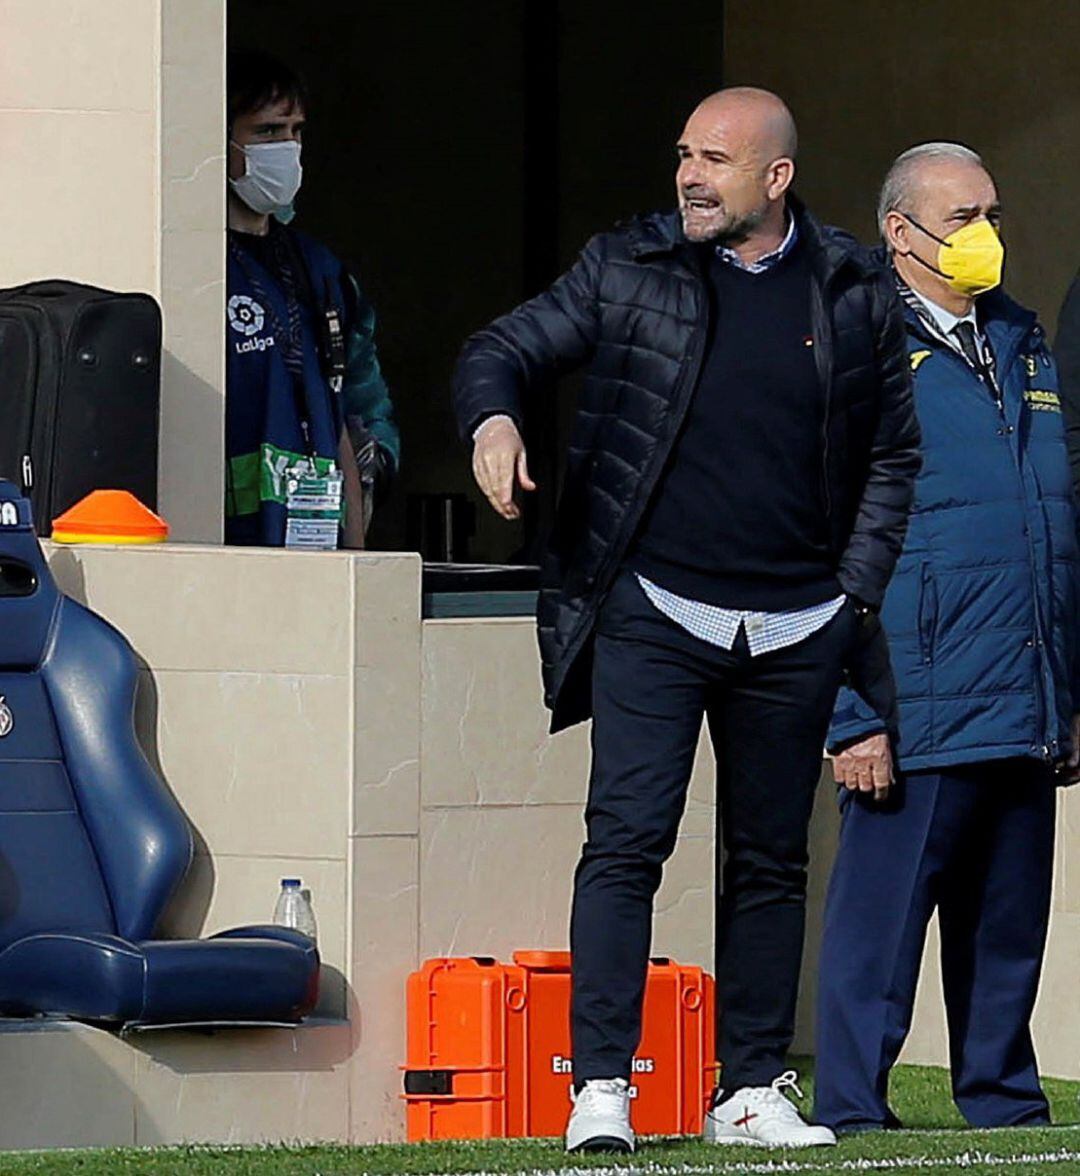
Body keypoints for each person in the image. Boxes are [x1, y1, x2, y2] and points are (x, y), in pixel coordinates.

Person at [453, 87, 919, 1152]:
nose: (691, 177)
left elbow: (894, 456)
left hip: (800, 623)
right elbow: (503, 347)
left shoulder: (851, 288)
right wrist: (492, 420)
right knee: (625, 845)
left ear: (777, 177)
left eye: (715, 160)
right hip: (654, 611)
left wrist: (852, 596)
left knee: (769, 861)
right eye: (684, 156)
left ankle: (753, 1088)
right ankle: (601, 1090)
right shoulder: (631, 268)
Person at [815, 143, 1080, 1136]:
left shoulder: (1021, 339)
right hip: (909, 695)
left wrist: (1070, 687)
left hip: (1024, 688)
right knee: (879, 931)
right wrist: (846, 713)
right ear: (899, 231)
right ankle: (850, 1107)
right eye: (963, 217)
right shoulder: (856, 345)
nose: (985, 236)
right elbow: (819, 537)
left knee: (1007, 926)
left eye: (993, 215)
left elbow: (1053, 517)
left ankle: (1004, 1098)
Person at [225, 49, 399, 548]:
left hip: (319, 546)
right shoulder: (194, 271)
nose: (287, 147)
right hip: (223, 553)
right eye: (267, 132)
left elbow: (352, 404)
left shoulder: (318, 270)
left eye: (295, 131)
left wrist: (359, 541)